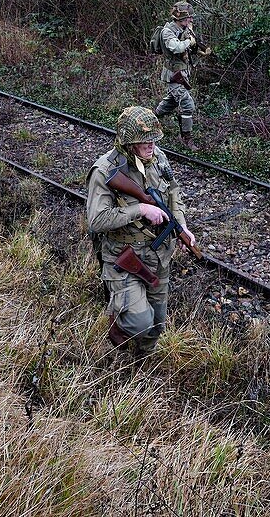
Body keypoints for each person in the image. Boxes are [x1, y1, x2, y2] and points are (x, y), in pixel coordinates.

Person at [86, 106, 196, 357]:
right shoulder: (105, 171)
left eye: (153, 139)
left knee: (156, 323)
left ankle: (143, 362)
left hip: (159, 256)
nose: (151, 145)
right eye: (143, 140)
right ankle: (118, 323)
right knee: (139, 322)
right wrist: (140, 210)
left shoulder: (159, 158)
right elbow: (96, 220)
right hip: (123, 257)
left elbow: (173, 192)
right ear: (127, 142)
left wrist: (181, 226)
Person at [153, 1, 208, 151]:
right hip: (173, 75)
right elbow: (176, 48)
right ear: (181, 18)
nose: (191, 20)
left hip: (183, 73)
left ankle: (151, 119)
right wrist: (189, 41)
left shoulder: (185, 29)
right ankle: (186, 139)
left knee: (171, 101)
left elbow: (191, 46)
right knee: (187, 104)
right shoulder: (168, 31)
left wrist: (199, 49)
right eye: (188, 17)